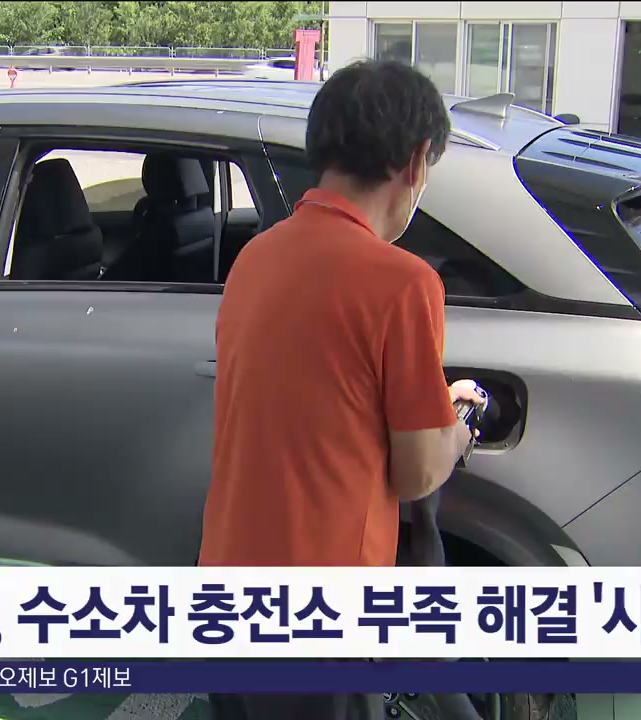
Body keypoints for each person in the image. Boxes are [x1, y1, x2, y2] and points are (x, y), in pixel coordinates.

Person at [198, 58, 486, 720]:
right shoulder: (404, 283)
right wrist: (457, 425)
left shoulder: (256, 258)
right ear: (417, 161)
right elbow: (416, 473)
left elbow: (320, 396)